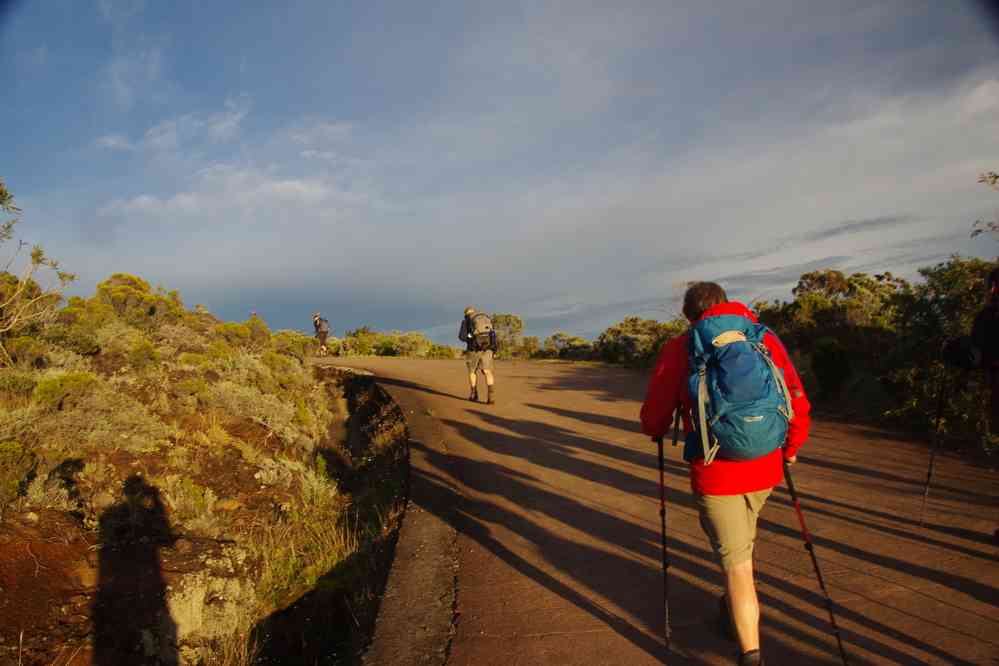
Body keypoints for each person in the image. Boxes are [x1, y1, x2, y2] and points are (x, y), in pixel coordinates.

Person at [640, 282, 811, 666]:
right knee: (741, 542)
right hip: (767, 464)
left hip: (717, 472)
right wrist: (793, 446)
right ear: (727, 305)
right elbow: (795, 396)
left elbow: (654, 418)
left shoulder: (680, 348)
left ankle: (750, 653)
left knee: (736, 564)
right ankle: (729, 607)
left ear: (689, 315)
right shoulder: (762, 337)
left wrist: (655, 428)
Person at [459, 306, 497, 403]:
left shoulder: (467, 321)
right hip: (488, 349)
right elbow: (493, 335)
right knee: (487, 371)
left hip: (473, 349)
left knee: (472, 371)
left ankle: (474, 394)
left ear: (466, 314)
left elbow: (462, 337)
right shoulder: (486, 319)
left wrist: (470, 339)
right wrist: (494, 350)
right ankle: (490, 396)